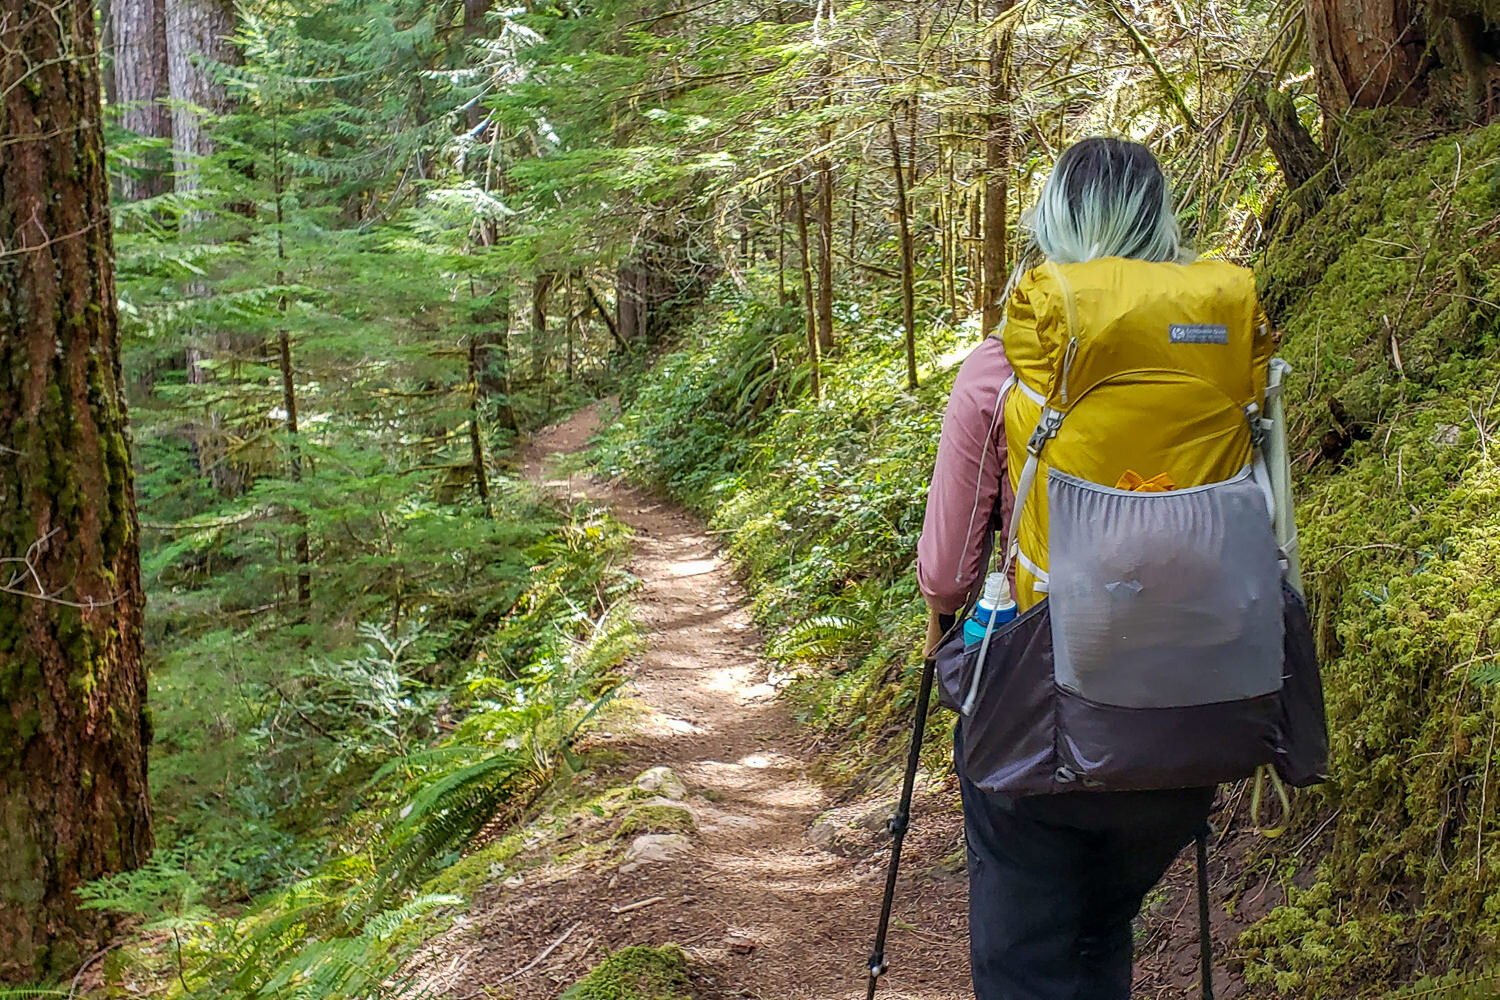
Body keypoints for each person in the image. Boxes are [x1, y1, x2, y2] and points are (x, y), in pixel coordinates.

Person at [916, 137, 1221, 999]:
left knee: (1028, 956)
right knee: (1101, 927)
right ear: (1161, 223)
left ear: (1051, 220)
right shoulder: (1216, 354)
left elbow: (946, 573)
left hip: (1039, 710)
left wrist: (944, 624)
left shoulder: (1005, 365)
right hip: (1192, 701)